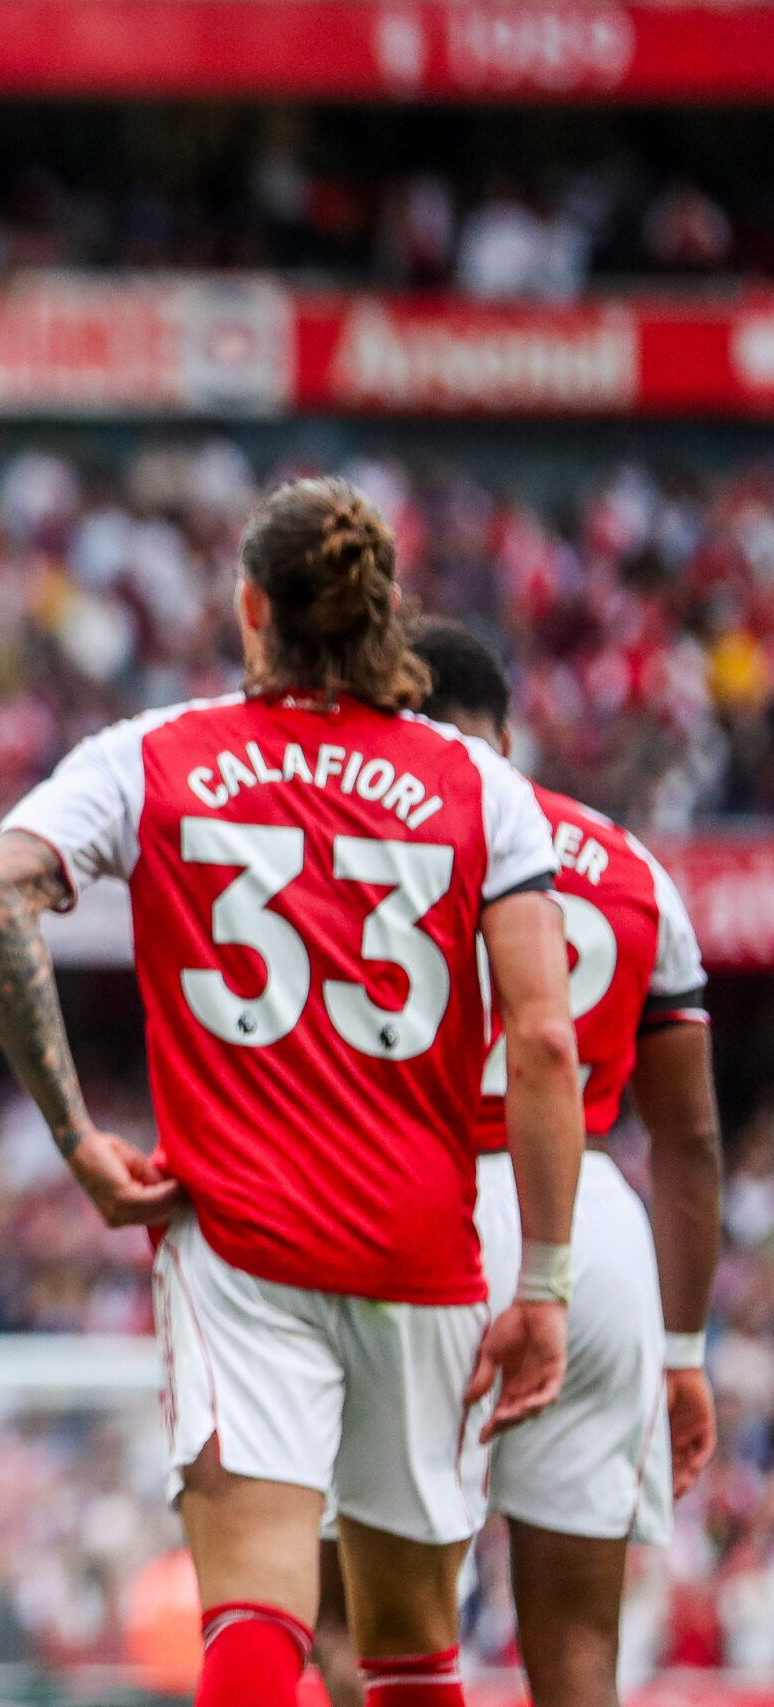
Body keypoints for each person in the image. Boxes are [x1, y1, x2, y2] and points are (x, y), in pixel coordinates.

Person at [0, 476, 584, 1707]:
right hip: (423, 1250)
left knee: (257, 1616)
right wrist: (545, 1285)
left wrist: (77, 1138)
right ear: (384, 614)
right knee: (412, 1646)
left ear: (250, 606)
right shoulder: (478, 787)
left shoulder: (151, 756)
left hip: (238, 1240)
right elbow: (545, 1041)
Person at [307, 621, 721, 1707]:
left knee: (366, 1629)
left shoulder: (364, 842)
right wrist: (681, 1347)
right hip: (597, 1233)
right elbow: (690, 1140)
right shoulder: (630, 867)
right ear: (509, 727)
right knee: (578, 1651)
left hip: (429, 1219)